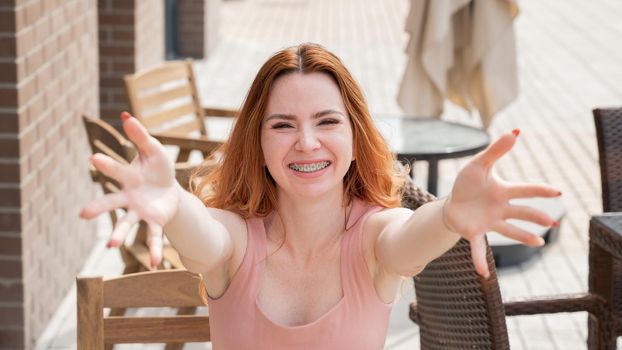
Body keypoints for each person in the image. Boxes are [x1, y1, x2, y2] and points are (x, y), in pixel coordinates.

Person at [80, 43, 560, 349]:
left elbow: (409, 239)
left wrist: (450, 218)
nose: (306, 142)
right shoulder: (234, 238)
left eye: (327, 121)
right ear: (259, 143)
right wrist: (174, 203)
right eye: (283, 125)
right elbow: (203, 237)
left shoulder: (376, 235)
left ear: (355, 137)